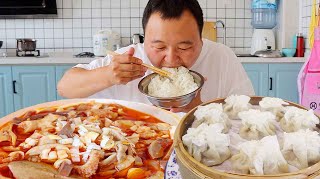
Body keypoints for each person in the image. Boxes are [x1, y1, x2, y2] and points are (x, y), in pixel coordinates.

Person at [58, 0, 254, 112]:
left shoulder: (222, 57)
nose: (171, 59)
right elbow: (65, 87)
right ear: (145, 40)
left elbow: (248, 116)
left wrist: (199, 111)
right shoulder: (128, 58)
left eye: (184, 47)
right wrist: (109, 75)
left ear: (201, 38)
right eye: (159, 47)